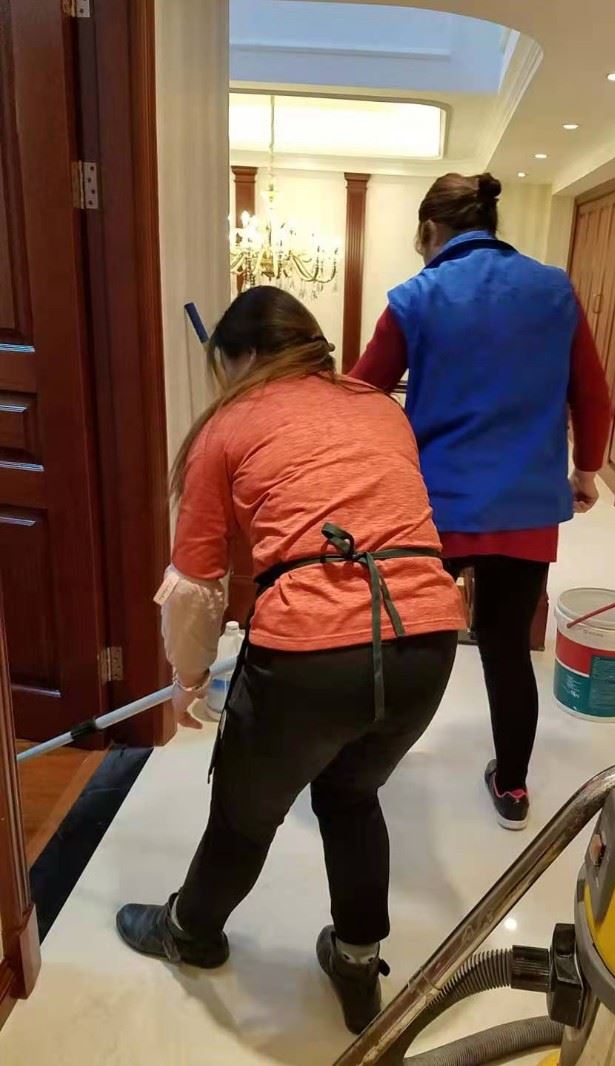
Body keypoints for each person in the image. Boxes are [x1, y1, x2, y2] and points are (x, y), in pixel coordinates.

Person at [115, 286, 464, 1035]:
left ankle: (189, 932)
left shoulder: (228, 425)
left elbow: (194, 586)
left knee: (245, 816)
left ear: (240, 357)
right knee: (352, 795)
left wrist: (186, 681)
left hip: (311, 657)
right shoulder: (379, 407)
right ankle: (357, 960)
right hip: (428, 644)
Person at [352, 172, 612, 832]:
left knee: (403, 637)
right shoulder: (554, 289)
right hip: (526, 508)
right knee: (505, 643)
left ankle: (364, 769)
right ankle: (514, 786)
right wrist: (585, 471)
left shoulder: (415, 296)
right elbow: (592, 394)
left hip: (435, 508)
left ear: (429, 230)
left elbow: (360, 394)